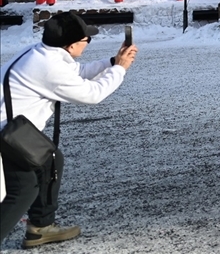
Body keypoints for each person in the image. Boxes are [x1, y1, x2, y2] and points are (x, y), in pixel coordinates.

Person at [1, 13, 138, 247]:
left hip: (15, 131)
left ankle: (40, 228)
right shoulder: (48, 67)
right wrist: (121, 69)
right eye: (87, 40)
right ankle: (39, 227)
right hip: (8, 137)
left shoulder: (42, 53)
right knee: (22, 189)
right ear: (72, 45)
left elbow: (77, 73)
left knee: (51, 160)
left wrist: (112, 62)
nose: (88, 43)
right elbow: (93, 94)